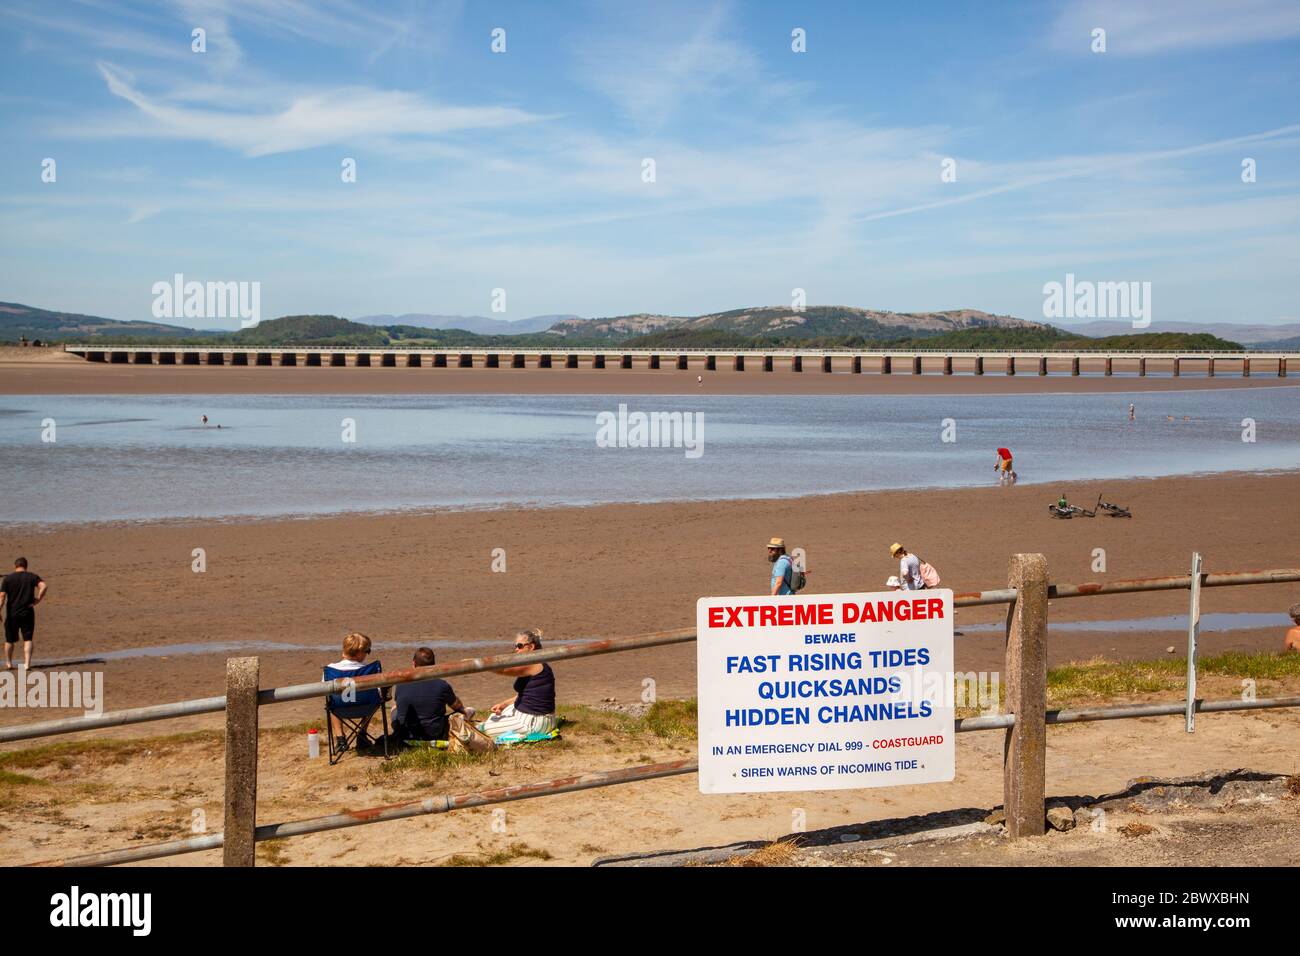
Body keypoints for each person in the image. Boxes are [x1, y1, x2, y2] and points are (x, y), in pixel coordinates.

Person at [479, 628, 558, 740]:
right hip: (529, 714)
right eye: (515, 646)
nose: (516, 649)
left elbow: (504, 670)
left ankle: (520, 734)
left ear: (531, 647)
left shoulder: (534, 664)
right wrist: (504, 704)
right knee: (495, 716)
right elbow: (527, 693)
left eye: (520, 646)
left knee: (488, 728)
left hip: (535, 720)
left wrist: (478, 664)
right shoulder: (535, 663)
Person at [388, 647, 470, 743]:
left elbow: (400, 705)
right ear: (434, 665)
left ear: (414, 664)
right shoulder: (442, 685)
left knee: (394, 708)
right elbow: (458, 708)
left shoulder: (401, 684)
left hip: (405, 733)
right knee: (466, 712)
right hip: (434, 734)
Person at [326, 632, 382, 752]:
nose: (367, 654)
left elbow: (326, 692)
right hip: (366, 707)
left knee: (332, 701)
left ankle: (340, 738)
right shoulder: (369, 669)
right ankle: (362, 734)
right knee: (374, 698)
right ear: (359, 653)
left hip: (339, 709)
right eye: (368, 651)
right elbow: (378, 691)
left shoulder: (331, 669)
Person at [1, 558, 46, 670]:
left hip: (12, 613)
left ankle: (9, 663)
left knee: (9, 639)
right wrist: (38, 599)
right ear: (26, 566)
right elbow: (44, 586)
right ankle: (27, 664)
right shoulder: (31, 576)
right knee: (28, 638)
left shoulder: (8, 579)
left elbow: (2, 596)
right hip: (27, 612)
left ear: (15, 566)